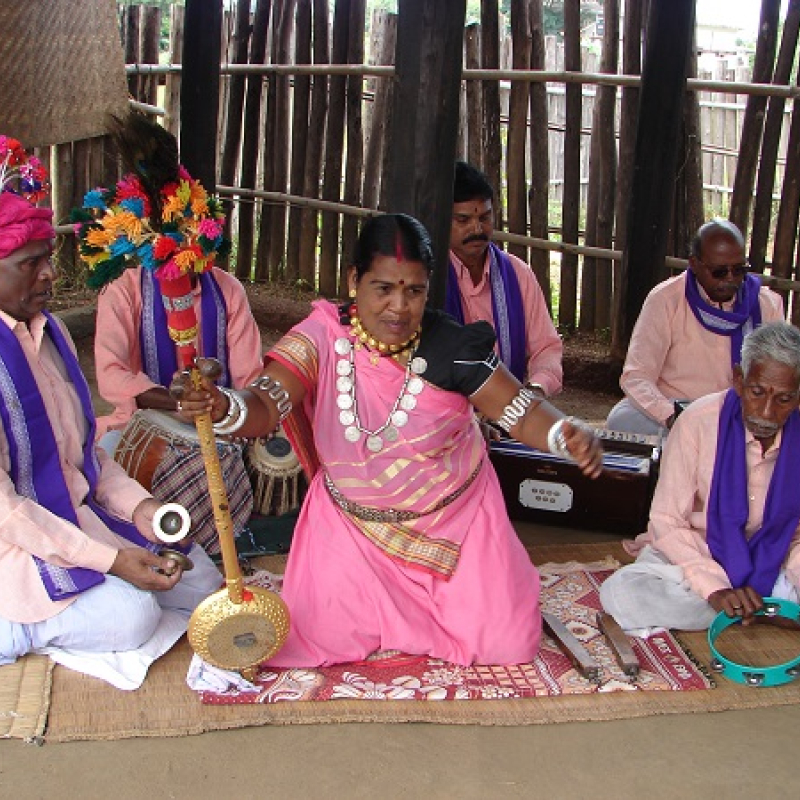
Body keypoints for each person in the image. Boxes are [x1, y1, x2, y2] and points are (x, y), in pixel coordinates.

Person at [173, 213, 603, 668]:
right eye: (384, 289)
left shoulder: (452, 345)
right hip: (351, 529)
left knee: (506, 644)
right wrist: (225, 407)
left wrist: (563, 434)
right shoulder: (322, 337)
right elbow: (266, 402)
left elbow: (520, 412)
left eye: (414, 291)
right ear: (355, 280)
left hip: (453, 527)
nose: (399, 307)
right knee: (308, 639)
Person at [0, 138, 220, 688]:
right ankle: (13, 628)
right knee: (134, 615)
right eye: (30, 264)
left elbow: (86, 462)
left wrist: (146, 515)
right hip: (15, 543)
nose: (49, 276)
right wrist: (110, 560)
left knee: (200, 580)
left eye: (47, 260)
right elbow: (8, 511)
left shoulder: (48, 337)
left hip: (75, 522)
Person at [600, 321, 800, 633]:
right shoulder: (698, 421)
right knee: (624, 594)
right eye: (757, 392)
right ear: (738, 380)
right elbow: (667, 520)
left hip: (775, 556)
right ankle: (763, 610)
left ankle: (748, 607)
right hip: (699, 550)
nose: (766, 411)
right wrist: (714, 588)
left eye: (784, 399)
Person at [606, 218, 784, 436]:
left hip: (743, 415)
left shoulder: (767, 304)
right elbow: (636, 377)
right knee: (621, 419)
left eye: (739, 270)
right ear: (695, 264)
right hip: (678, 410)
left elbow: (781, 375)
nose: (730, 279)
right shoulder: (666, 299)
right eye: (719, 272)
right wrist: (673, 417)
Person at [446, 161, 563, 397]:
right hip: (445, 417)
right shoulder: (428, 277)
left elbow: (547, 347)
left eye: (485, 218)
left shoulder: (518, 274)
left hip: (507, 412)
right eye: (463, 220)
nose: (477, 229)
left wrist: (536, 390)